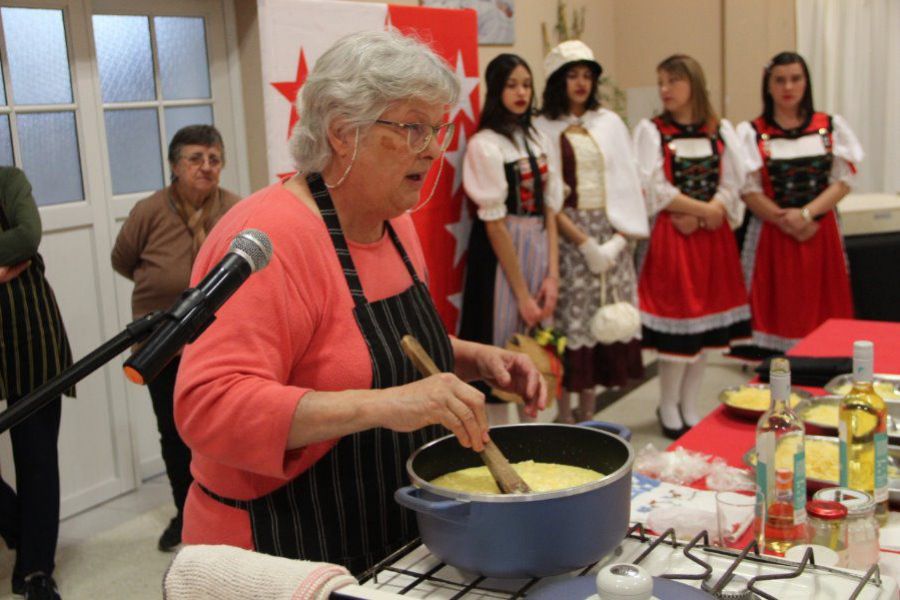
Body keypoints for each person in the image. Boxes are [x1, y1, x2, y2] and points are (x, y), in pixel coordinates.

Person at [173, 31, 546, 575]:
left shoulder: (393, 220)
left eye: (437, 128)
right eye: (413, 128)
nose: (434, 147)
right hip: (279, 546)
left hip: (380, 530)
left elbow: (377, 348)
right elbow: (209, 407)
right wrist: (390, 405)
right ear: (343, 134)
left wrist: (468, 356)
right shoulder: (271, 235)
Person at [111, 125, 241, 552]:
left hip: (221, 342)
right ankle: (185, 515)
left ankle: (227, 513)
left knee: (223, 431)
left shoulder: (237, 209)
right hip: (161, 344)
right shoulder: (149, 210)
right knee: (174, 433)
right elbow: (123, 260)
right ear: (174, 166)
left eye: (214, 159)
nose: (207, 167)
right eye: (196, 158)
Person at [632, 55, 751, 438]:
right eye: (661, 81)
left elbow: (734, 185)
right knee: (678, 328)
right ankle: (667, 403)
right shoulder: (653, 131)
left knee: (704, 335)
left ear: (693, 85)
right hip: (673, 242)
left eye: (673, 81)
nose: (665, 90)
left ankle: (689, 402)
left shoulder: (720, 131)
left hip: (711, 243)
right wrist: (704, 210)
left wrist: (707, 214)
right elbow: (652, 188)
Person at [534, 40, 648, 423]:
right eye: (572, 75)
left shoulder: (610, 123)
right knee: (571, 324)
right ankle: (565, 416)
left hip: (612, 235)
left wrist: (618, 241)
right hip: (568, 240)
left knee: (607, 321)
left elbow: (630, 185)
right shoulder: (543, 126)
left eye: (587, 75)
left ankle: (589, 413)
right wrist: (583, 244)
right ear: (556, 80)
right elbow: (550, 199)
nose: (581, 83)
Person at [458, 53, 562, 425]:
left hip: (537, 245)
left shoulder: (537, 135)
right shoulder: (485, 144)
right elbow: (495, 224)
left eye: (526, 84)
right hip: (503, 255)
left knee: (534, 345)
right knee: (500, 343)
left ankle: (532, 432)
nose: (520, 92)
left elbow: (551, 208)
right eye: (511, 85)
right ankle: (503, 436)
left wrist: (553, 274)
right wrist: (521, 295)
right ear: (496, 89)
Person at [737, 52, 862, 355]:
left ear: (806, 82)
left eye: (795, 78)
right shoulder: (751, 132)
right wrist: (785, 220)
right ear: (768, 85)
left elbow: (844, 181)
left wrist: (807, 214)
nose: (788, 86)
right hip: (772, 233)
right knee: (778, 305)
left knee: (822, 306)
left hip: (820, 232)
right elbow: (746, 188)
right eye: (780, 80)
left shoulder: (830, 126)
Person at [0, 167, 73, 600]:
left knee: (37, 458)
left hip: (29, 329)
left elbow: (27, 237)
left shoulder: (8, 179)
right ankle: (22, 534)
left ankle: (36, 570)